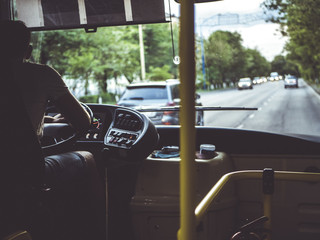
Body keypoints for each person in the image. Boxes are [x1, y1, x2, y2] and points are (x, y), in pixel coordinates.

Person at [0, 20, 105, 240]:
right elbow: (83, 122)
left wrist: (40, 118)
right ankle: (98, 231)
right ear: (28, 50)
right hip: (25, 172)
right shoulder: (41, 74)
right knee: (87, 157)